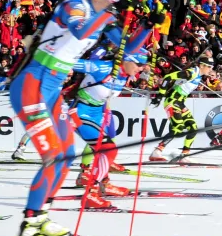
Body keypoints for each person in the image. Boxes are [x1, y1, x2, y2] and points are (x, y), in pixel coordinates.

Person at [9, 0, 131, 236]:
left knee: (67, 155)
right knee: (53, 157)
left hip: (51, 89)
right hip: (32, 86)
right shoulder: (74, 5)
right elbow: (79, 29)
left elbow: (126, 50)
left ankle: (42, 216)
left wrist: (149, 26)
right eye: (113, 2)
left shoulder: (101, 13)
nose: (113, 8)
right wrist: (105, 17)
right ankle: (27, 230)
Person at [68, 19, 158, 207]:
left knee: (107, 146)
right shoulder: (104, 68)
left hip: (97, 111)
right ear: (127, 60)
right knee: (108, 149)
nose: (142, 69)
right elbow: (73, 63)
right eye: (139, 64)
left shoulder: (125, 76)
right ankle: (91, 193)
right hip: (79, 112)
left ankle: (102, 183)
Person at [149, 58, 214, 163]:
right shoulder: (191, 73)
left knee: (193, 128)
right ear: (202, 65)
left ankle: (184, 155)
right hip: (172, 101)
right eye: (209, 67)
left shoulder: (198, 76)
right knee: (178, 128)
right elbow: (167, 77)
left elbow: (178, 83)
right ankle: (157, 152)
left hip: (180, 103)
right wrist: (160, 95)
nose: (211, 70)